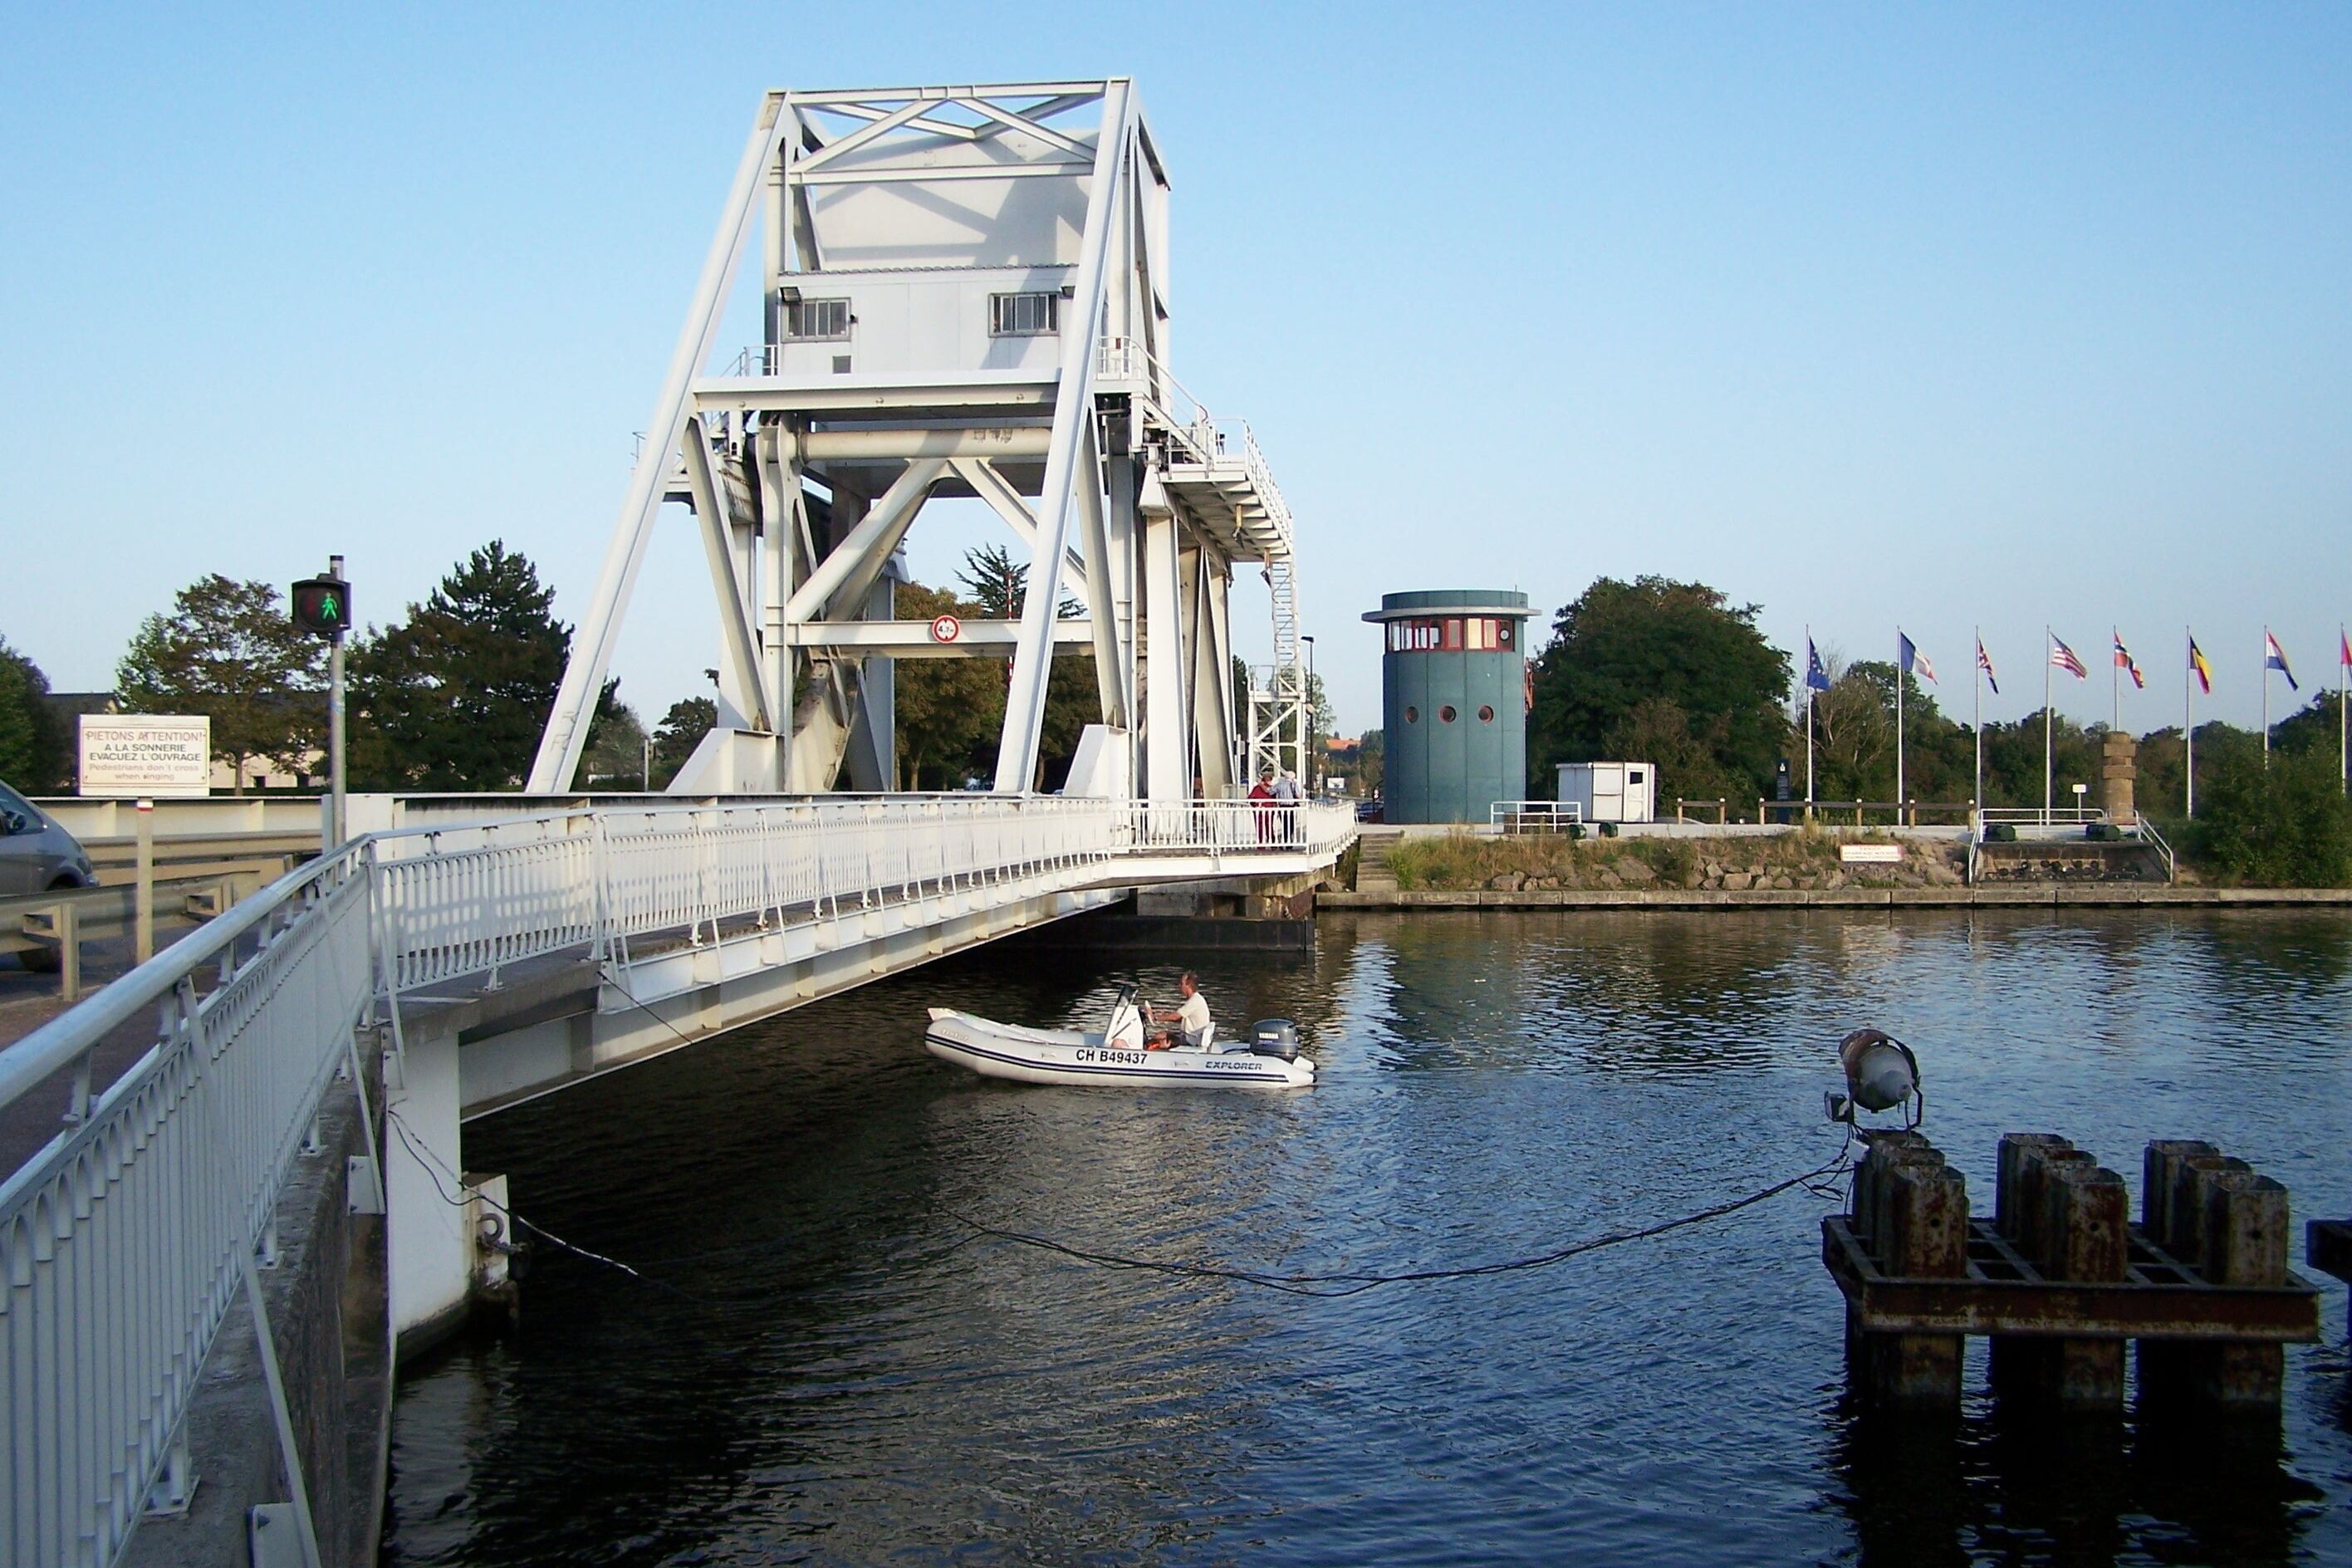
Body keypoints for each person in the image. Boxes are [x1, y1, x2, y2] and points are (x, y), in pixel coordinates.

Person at [1146, 972, 1213, 1051]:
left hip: (1190, 1040)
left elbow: (1175, 1016)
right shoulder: (1197, 999)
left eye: (1181, 984)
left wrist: (1155, 1018)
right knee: (1164, 1034)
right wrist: (1163, 1015)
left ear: (1188, 985)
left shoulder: (1195, 1001)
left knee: (1160, 1036)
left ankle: (1146, 1051)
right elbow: (1181, 1018)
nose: (1179, 986)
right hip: (1189, 1037)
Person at [1248, 767, 1276, 842]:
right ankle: (1272, 841)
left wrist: (1255, 805)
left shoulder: (1256, 788)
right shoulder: (1272, 788)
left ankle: (1261, 843)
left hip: (1259, 809)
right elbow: (1274, 797)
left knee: (1259, 827)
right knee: (1269, 826)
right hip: (1269, 809)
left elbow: (1250, 798)